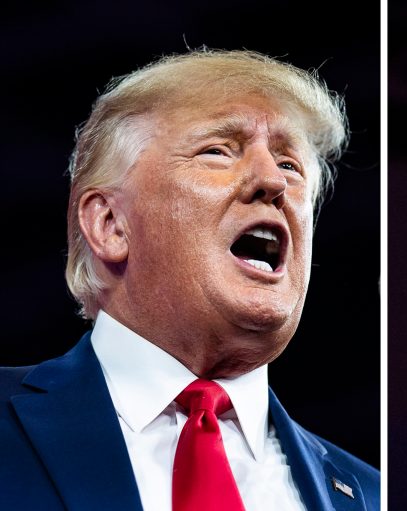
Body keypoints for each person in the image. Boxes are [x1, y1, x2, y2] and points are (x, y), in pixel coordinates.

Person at [0, 49, 379, 511]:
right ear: (110, 225)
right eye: (218, 151)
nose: (271, 182)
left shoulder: (370, 493)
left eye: (290, 165)